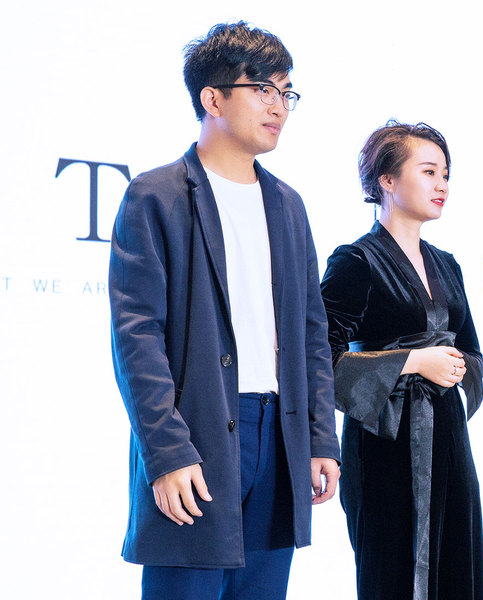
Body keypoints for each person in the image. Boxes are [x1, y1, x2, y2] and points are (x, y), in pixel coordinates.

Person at [108, 22, 340, 600]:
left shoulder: (288, 205)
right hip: (199, 429)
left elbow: (312, 333)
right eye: (262, 89)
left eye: (286, 92)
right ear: (212, 99)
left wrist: (320, 438)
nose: (279, 106)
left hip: (278, 435)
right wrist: (166, 452)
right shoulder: (156, 196)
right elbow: (137, 338)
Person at [320, 121, 483, 600]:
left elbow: (473, 352)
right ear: (387, 180)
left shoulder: (448, 264)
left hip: (448, 440)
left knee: (456, 568)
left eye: (446, 174)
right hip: (384, 444)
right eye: (429, 172)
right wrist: (412, 361)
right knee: (390, 571)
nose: (442, 185)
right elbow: (320, 358)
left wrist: (457, 366)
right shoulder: (356, 261)